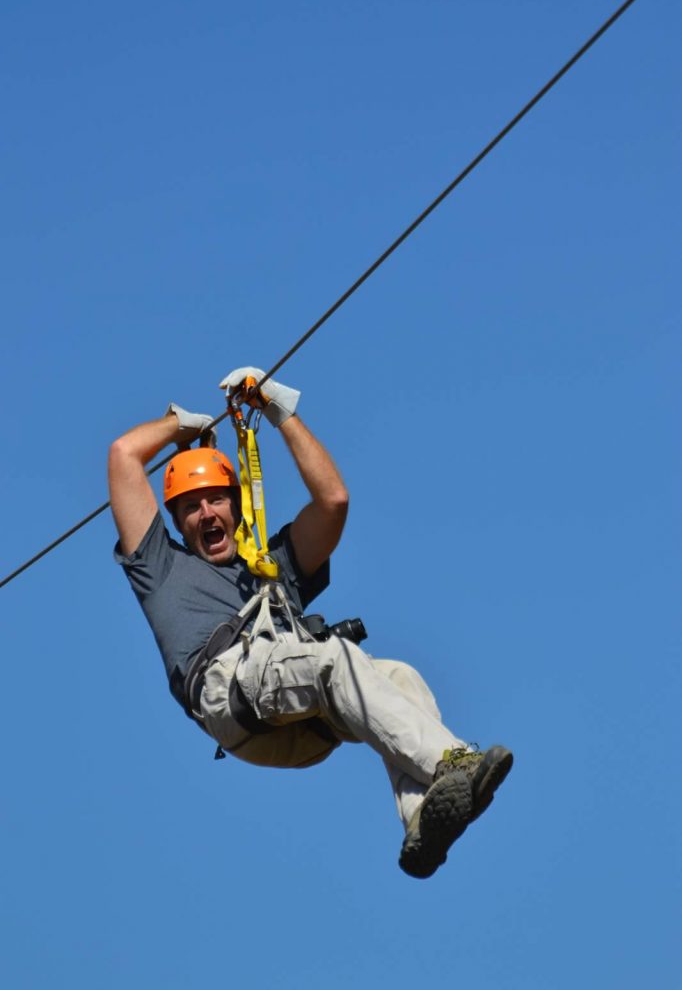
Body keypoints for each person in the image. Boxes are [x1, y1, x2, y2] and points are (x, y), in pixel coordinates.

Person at [108, 366, 512, 878]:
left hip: (302, 727)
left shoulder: (270, 565)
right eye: (190, 508)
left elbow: (333, 502)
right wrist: (179, 425)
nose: (206, 513)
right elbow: (124, 455)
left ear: (236, 506)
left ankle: (424, 818)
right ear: (176, 522)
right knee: (335, 658)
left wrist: (280, 411)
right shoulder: (161, 568)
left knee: (400, 676)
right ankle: (453, 764)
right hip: (234, 695)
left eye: (215, 500)